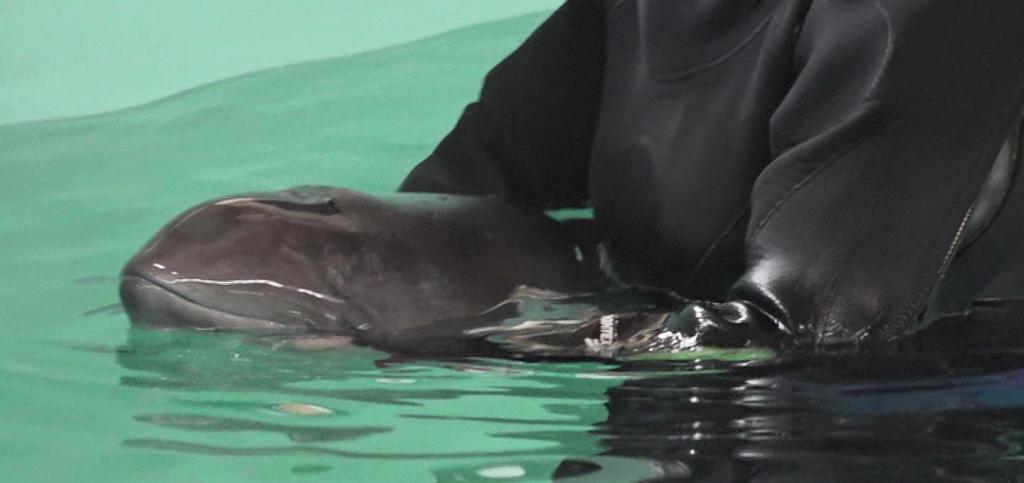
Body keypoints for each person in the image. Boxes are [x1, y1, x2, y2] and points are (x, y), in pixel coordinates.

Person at [399, 0, 1024, 353]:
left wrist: (479, 336)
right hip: (682, 366)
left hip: (925, 427)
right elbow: (475, 177)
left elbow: (812, 334)